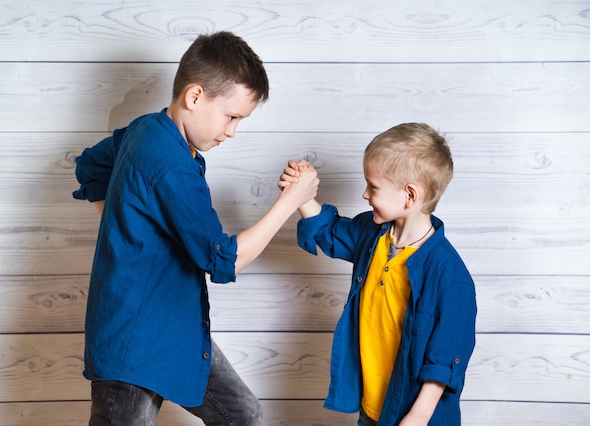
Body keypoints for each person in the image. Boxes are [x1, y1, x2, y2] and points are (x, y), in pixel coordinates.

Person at [72, 31, 319, 426]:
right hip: (132, 339)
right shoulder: (172, 166)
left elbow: (90, 165)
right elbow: (223, 260)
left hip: (174, 329)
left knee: (244, 416)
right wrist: (289, 202)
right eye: (231, 116)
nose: (232, 131)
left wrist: (130, 228)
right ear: (194, 96)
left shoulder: (146, 129)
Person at [279, 123, 477, 426]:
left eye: (373, 187)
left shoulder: (449, 275)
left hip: (415, 417)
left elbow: (445, 359)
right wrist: (301, 195)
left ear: (410, 195)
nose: (364, 194)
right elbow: (329, 232)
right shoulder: (372, 234)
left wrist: (417, 418)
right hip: (372, 411)